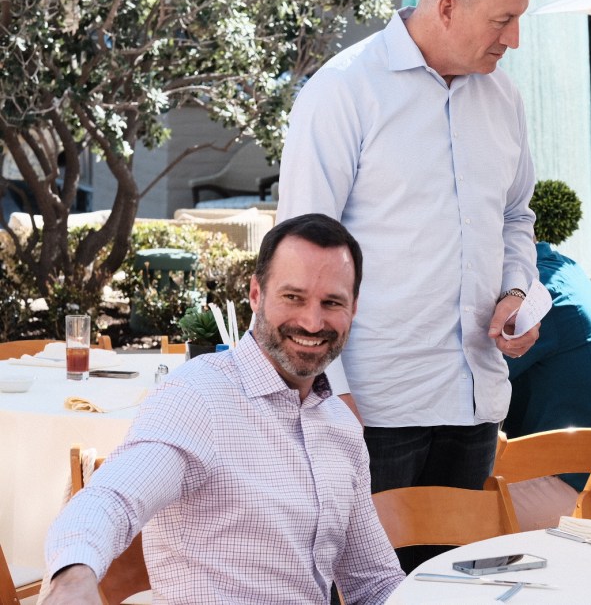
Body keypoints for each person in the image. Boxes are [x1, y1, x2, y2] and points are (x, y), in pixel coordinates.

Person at [277, 0, 540, 500]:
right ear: (447, 7)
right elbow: (297, 258)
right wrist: (330, 389)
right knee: (368, 590)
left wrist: (517, 291)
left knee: (454, 587)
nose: (513, 39)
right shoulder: (343, 91)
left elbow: (516, 216)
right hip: (372, 407)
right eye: (503, 20)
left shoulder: (505, 98)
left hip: (476, 403)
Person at [41, 214, 404, 605]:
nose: (312, 322)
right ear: (255, 294)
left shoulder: (341, 428)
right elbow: (111, 499)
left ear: (354, 308)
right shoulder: (198, 397)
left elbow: (374, 583)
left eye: (332, 302)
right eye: (293, 297)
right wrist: (73, 580)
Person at [503, 181, 591, 513]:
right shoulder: (560, 269)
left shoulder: (540, 293)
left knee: (441, 491)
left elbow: (468, 381)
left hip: (588, 496)